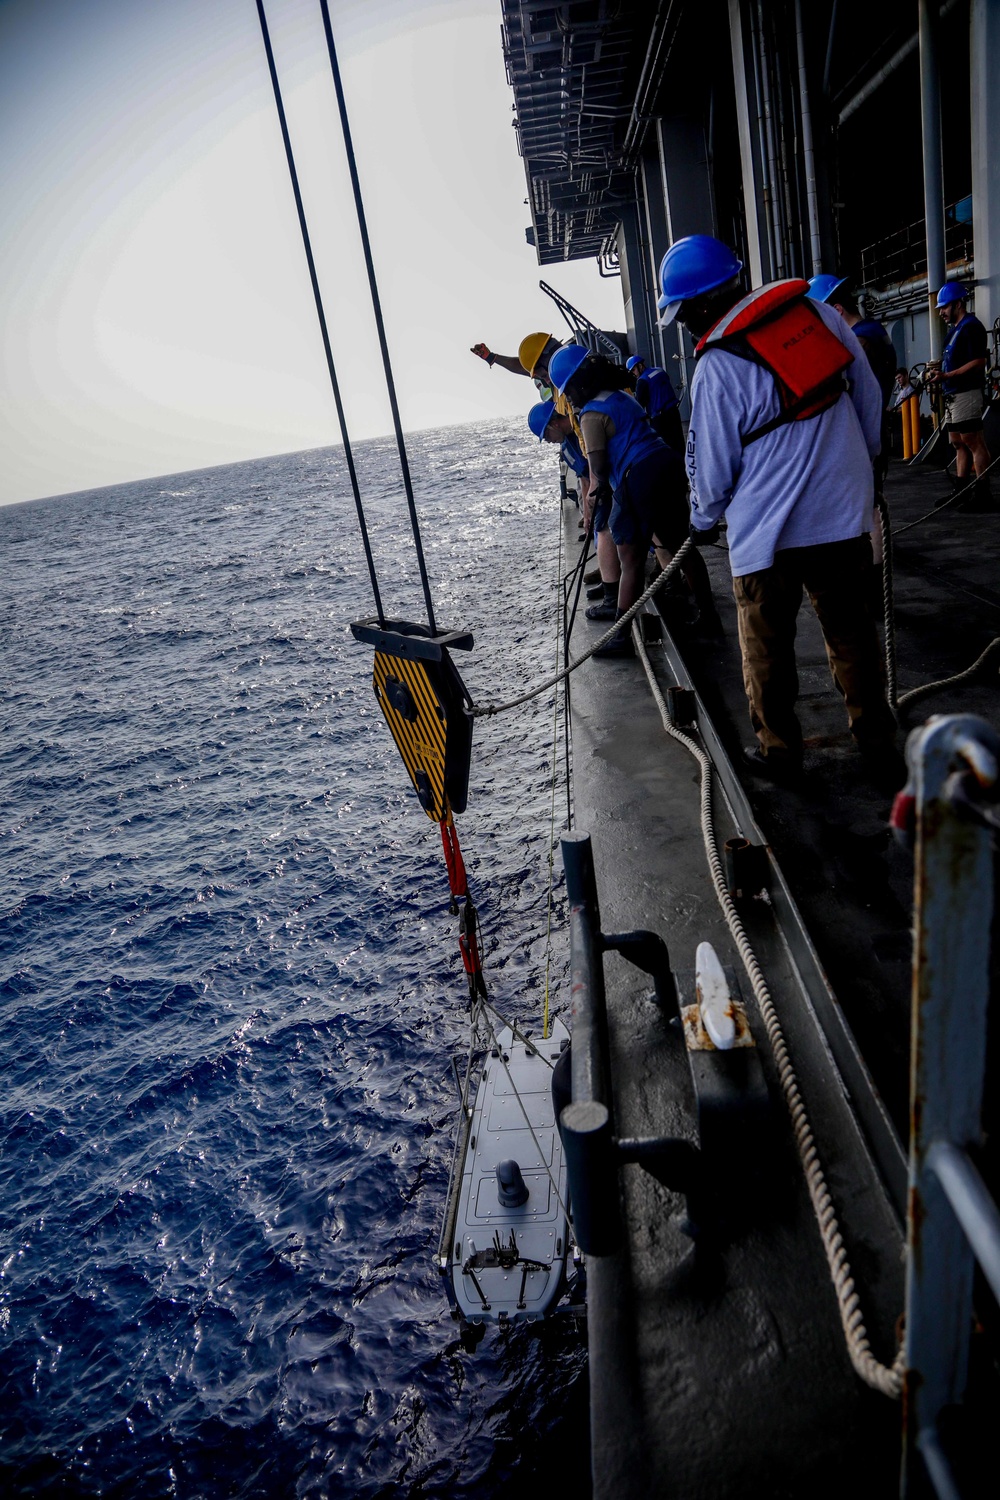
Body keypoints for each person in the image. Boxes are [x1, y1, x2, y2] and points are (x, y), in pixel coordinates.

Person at [660, 234, 901, 789]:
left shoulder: (716, 366)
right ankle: (877, 743)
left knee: (766, 648)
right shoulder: (816, 313)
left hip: (766, 537)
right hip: (841, 516)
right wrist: (862, 468)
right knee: (853, 636)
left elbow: (711, 470)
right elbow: (866, 394)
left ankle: (780, 751)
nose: (686, 328)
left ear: (700, 305)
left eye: (683, 316)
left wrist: (699, 520)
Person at [549, 345, 715, 657]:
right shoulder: (620, 396)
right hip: (666, 462)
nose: (568, 399)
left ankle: (621, 637)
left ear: (578, 384)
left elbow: (598, 466)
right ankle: (710, 618)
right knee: (682, 547)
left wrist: (599, 495)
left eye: (568, 391)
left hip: (637, 476)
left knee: (631, 560)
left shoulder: (590, 415)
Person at [807, 275, 897, 486]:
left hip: (860, 441)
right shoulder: (873, 331)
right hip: (871, 435)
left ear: (837, 311)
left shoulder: (858, 344)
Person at [924, 283, 995, 512]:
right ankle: (962, 490)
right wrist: (938, 374)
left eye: (944, 307)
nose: (941, 312)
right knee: (957, 442)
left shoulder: (971, 327)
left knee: (973, 441)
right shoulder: (955, 331)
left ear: (957, 304)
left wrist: (947, 375)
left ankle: (983, 493)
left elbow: (978, 362)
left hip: (966, 393)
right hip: (953, 394)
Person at [626, 353, 685, 453]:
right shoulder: (660, 370)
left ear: (640, 366)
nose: (634, 374)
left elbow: (639, 404)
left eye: (634, 370)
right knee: (679, 443)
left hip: (660, 418)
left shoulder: (642, 381)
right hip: (674, 412)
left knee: (664, 448)